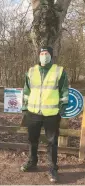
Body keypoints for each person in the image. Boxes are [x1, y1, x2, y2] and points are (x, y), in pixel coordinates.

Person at [21, 46, 69, 183]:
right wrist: (25, 108)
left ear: (51, 55)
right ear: (38, 55)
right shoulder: (31, 71)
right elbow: (26, 91)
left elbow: (64, 92)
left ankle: (52, 168)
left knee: (52, 142)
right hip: (33, 113)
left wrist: (61, 109)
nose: (43, 55)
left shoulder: (59, 71)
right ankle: (32, 161)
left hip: (51, 114)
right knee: (32, 139)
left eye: (46, 53)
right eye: (41, 53)